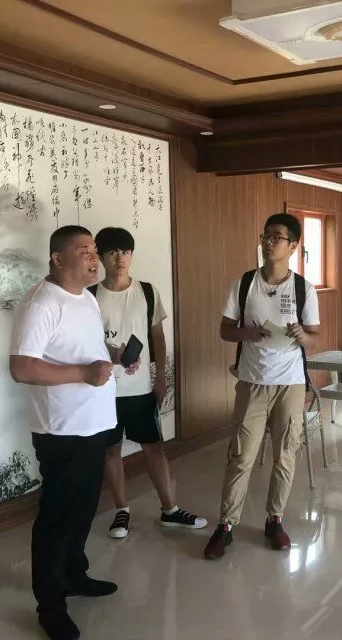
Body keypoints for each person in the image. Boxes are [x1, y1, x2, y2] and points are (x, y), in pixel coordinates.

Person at [9, 226, 139, 640]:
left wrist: (114, 356)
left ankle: (72, 574)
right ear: (58, 258)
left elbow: (84, 348)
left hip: (93, 423)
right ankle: (50, 604)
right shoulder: (41, 302)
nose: (94, 258)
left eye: (95, 250)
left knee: (83, 507)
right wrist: (84, 373)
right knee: (58, 515)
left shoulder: (86, 298)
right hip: (61, 429)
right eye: (84, 250)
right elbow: (22, 367)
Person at [204, 213, 320, 560]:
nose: (269, 242)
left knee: (286, 454)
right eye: (266, 236)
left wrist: (303, 335)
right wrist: (247, 333)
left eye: (277, 237)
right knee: (241, 455)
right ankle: (226, 525)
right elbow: (225, 330)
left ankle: (275, 520)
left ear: (293, 246)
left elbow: (315, 337)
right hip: (252, 381)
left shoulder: (303, 289)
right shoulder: (244, 284)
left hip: (290, 383)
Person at [91, 227, 207, 538]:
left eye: (125, 252)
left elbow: (157, 337)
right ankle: (121, 510)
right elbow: (86, 342)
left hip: (140, 388)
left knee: (154, 448)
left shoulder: (147, 291)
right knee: (111, 451)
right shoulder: (90, 297)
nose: (120, 258)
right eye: (112, 252)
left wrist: (160, 379)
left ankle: (170, 509)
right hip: (104, 389)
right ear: (101, 257)